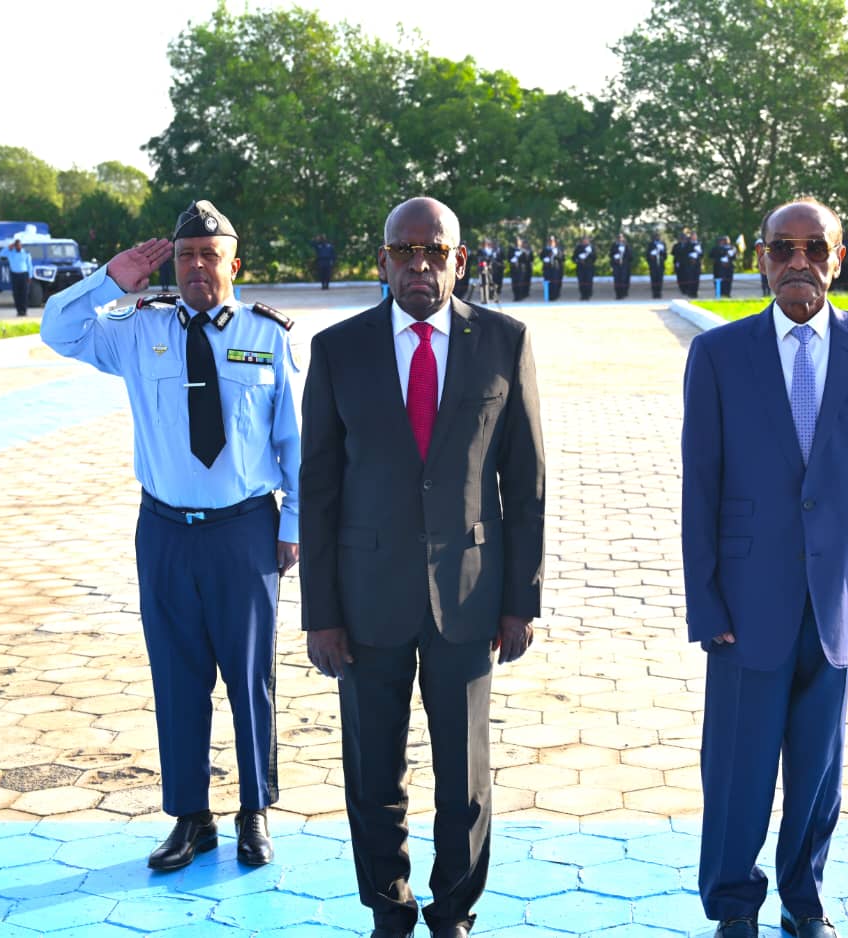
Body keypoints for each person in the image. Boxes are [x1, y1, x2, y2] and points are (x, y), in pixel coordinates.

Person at [300, 196, 545, 938]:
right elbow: (318, 487)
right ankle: (389, 905)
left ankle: (455, 910)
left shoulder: (503, 341)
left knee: (463, 777)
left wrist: (521, 600)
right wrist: (321, 612)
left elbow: (525, 480)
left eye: (434, 251)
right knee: (374, 773)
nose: (419, 264)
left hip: (470, 599)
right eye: (403, 251)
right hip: (366, 598)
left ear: (459, 261)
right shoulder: (339, 349)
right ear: (383, 261)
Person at [41, 199, 300, 872]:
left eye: (209, 256)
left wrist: (295, 524)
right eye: (185, 255)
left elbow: (295, 442)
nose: (195, 267)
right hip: (163, 532)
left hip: (246, 531)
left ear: (233, 265)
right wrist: (110, 279)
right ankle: (192, 818)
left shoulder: (266, 334)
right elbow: (56, 330)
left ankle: (255, 811)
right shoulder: (136, 329)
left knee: (250, 681)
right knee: (177, 680)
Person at [681, 197, 848, 938]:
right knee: (737, 770)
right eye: (783, 247)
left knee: (818, 772)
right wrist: (706, 603)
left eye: (816, 248)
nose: (799, 262)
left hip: (835, 598)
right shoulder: (719, 355)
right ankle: (733, 904)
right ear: (760, 258)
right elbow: (700, 485)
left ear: (839, 259)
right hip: (747, 600)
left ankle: (803, 899)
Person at [0, 236, 35, 316]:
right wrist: (8, 247)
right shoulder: (10, 253)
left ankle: (24, 311)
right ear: (14, 246)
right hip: (14, 275)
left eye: (19, 245)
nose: (17, 247)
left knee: (24, 293)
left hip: (24, 275)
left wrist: (30, 276)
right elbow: (0, 254)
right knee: (16, 293)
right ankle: (19, 311)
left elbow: (29, 265)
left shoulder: (26, 253)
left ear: (21, 245)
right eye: (16, 245)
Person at [508, 236, 533, 300]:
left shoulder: (524, 250)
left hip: (521, 269)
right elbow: (508, 258)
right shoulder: (512, 250)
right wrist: (513, 257)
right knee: (514, 283)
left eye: (518, 241)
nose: (517, 242)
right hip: (513, 269)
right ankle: (516, 296)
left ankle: (520, 296)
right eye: (516, 241)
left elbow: (528, 259)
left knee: (520, 282)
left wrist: (523, 254)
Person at [541, 235, 564, 301]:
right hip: (547, 268)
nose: (551, 242)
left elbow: (562, 258)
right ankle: (548, 296)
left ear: (555, 242)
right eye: (550, 241)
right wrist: (545, 259)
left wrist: (556, 255)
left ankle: (555, 296)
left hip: (556, 268)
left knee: (555, 283)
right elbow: (541, 257)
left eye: (552, 241)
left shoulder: (558, 249)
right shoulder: (545, 249)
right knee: (548, 282)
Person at [609, 233, 632, 299]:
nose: (620, 239)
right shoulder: (614, 246)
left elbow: (630, 257)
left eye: (621, 237)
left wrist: (624, 255)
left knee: (623, 279)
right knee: (617, 280)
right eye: (618, 238)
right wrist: (615, 257)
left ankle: (623, 293)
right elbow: (611, 254)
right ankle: (618, 294)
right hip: (616, 265)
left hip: (624, 266)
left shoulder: (626, 246)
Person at [573, 236, 596, 300]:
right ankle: (583, 295)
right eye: (584, 240)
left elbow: (594, 257)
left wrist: (590, 253)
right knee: (581, 282)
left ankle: (588, 295)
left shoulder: (591, 248)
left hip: (589, 268)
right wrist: (579, 260)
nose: (585, 241)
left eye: (586, 240)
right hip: (580, 268)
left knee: (589, 281)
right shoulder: (578, 247)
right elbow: (574, 257)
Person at [646, 232, 667, 298]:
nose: (657, 238)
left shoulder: (662, 244)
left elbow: (665, 255)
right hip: (653, 265)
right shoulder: (650, 245)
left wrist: (661, 252)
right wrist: (651, 256)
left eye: (658, 236)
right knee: (654, 279)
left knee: (660, 279)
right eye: (655, 236)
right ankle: (654, 293)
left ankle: (659, 292)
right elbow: (647, 255)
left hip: (660, 264)